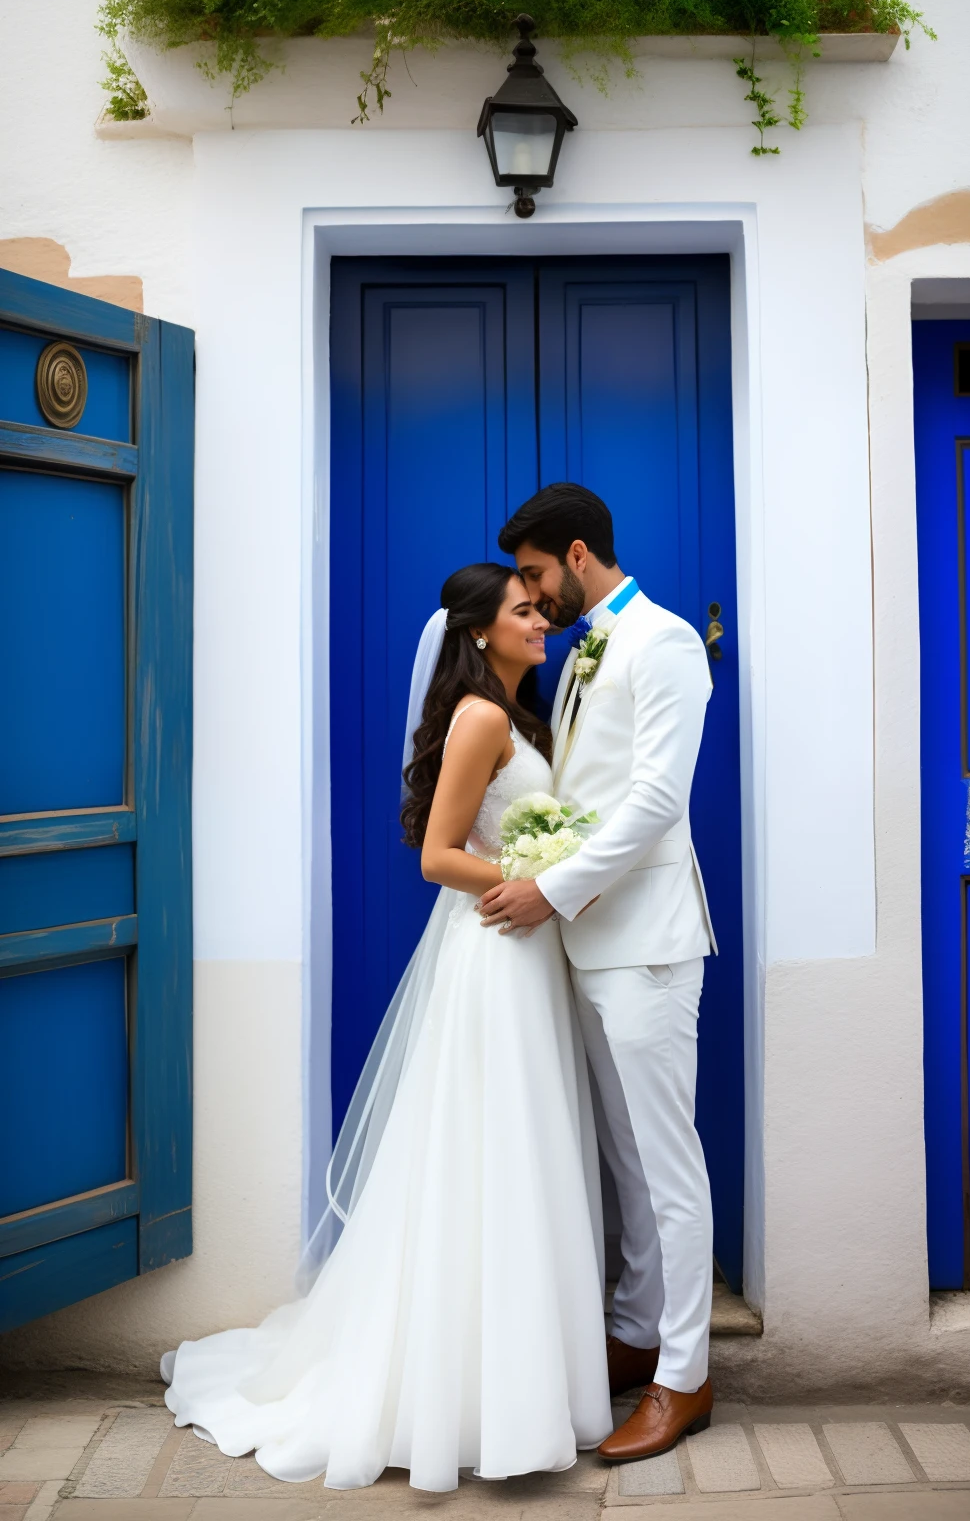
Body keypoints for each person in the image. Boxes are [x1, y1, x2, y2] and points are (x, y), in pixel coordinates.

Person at [159, 562, 611, 1493]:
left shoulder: (522, 717)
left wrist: (548, 873)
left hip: (526, 955)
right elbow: (439, 858)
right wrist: (533, 878)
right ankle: (466, 1395)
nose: (542, 621)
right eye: (525, 612)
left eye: (540, 608)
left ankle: (519, 1386)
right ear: (481, 633)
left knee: (518, 1152)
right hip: (492, 953)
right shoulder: (483, 718)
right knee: (489, 1156)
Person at [485, 483, 717, 1463]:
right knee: (623, 1156)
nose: (532, 597)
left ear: (578, 555)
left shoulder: (661, 642)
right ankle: (634, 1331)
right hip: (589, 940)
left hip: (649, 940)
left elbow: (659, 798)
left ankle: (686, 1377)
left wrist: (555, 888)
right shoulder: (585, 652)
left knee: (667, 1164)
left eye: (537, 575)